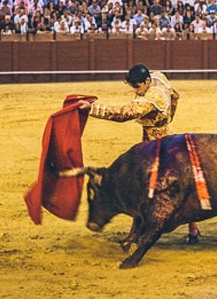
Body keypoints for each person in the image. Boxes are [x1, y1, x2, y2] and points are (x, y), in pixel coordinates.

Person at [78, 63, 201, 244]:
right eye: (132, 86)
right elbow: (175, 95)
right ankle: (193, 228)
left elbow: (123, 114)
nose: (136, 90)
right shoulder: (158, 77)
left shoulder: (152, 98)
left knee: (149, 187)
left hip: (156, 144)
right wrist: (169, 116)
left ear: (147, 81)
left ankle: (139, 233)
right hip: (165, 136)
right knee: (176, 185)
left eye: (138, 86)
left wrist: (92, 109)